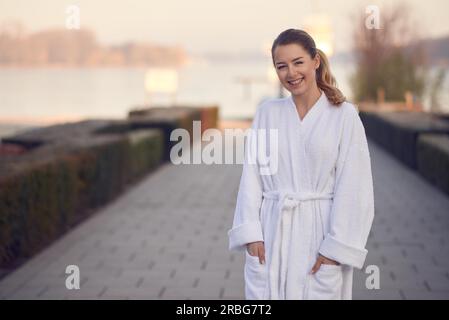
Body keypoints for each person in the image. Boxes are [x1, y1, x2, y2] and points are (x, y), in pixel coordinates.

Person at [227, 29, 375, 300]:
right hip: (273, 232)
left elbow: (355, 188)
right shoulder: (267, 113)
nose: (291, 73)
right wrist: (252, 235)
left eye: (298, 62)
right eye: (281, 66)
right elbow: (251, 176)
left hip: (320, 234)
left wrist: (335, 250)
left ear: (315, 61)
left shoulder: (344, 117)